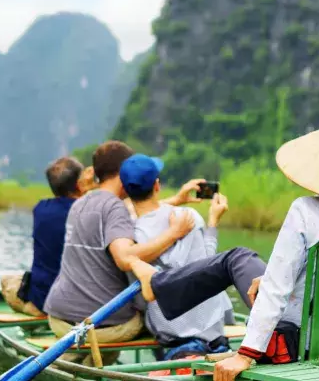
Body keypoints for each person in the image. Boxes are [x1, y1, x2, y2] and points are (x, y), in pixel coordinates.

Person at [134, 120, 319, 381]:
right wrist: (282, 279)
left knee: (236, 258)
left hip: (296, 342)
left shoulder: (305, 210)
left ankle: (155, 286)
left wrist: (246, 354)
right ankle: (157, 285)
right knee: (249, 267)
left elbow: (276, 290)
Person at [42, 140, 206, 365]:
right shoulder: (115, 208)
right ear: (123, 172)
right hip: (100, 326)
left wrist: (176, 200)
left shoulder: (82, 202)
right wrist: (174, 233)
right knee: (154, 315)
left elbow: (125, 212)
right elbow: (124, 257)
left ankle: (80, 362)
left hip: (59, 317)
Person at [120, 154, 247, 360]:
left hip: (170, 334)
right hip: (211, 331)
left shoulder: (126, 235)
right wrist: (213, 222)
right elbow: (209, 266)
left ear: (125, 191)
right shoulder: (187, 217)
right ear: (157, 185)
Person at [0, 157, 86, 316]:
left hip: (43, 297)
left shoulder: (40, 209)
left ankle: (34, 309)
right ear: (79, 184)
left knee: (7, 281)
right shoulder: (88, 211)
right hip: (79, 300)